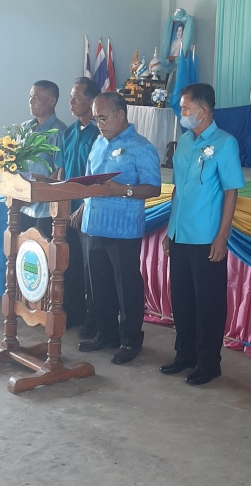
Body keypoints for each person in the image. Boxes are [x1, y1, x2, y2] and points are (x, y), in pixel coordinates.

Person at [160, 83, 245, 385]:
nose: (181, 112)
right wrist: (169, 230)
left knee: (208, 303)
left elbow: (231, 191)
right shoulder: (184, 142)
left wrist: (222, 236)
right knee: (181, 299)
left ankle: (209, 363)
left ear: (204, 110)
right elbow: (177, 189)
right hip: (179, 233)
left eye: (186, 107)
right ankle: (185, 354)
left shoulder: (225, 143)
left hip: (207, 237)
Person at [78, 92, 161, 365]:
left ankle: (130, 340)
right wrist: (82, 207)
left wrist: (123, 190)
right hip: (94, 224)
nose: (99, 124)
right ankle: (106, 333)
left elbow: (154, 188)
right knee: (98, 284)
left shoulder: (141, 147)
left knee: (126, 287)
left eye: (103, 118)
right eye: (96, 119)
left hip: (123, 229)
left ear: (121, 114)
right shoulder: (98, 142)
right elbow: (89, 180)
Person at [55, 77, 101, 330]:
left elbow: (98, 177)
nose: (71, 102)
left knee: (90, 268)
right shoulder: (69, 132)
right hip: (68, 209)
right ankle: (74, 313)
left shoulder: (99, 133)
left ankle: (95, 320)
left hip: (89, 211)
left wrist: (84, 207)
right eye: (71, 97)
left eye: (76, 97)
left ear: (92, 101)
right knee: (70, 265)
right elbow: (62, 172)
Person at [20, 80, 67, 233]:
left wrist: (37, 193)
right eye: (30, 96)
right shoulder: (25, 128)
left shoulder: (59, 132)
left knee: (41, 246)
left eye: (36, 97)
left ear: (52, 101)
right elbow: (16, 162)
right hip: (22, 204)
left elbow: (60, 171)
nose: (31, 101)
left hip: (44, 208)